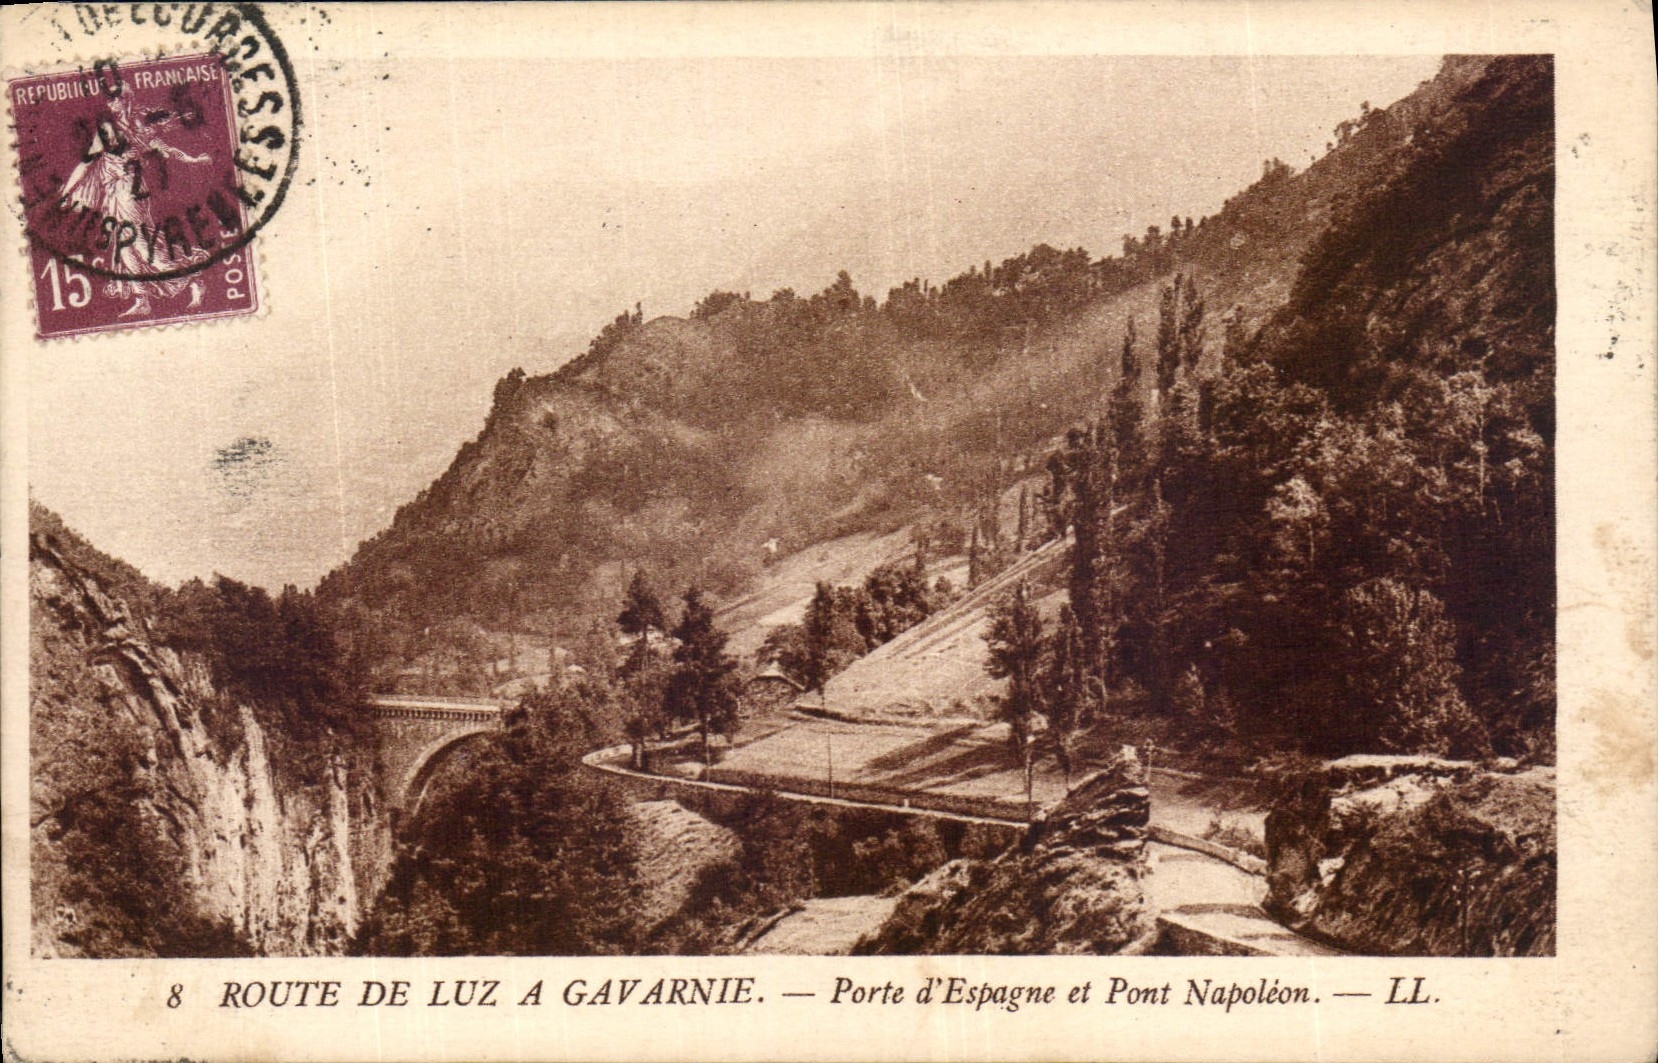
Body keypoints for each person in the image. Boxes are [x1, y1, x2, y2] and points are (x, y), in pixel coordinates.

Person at [58, 91, 213, 317]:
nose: (112, 104)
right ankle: (142, 300)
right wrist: (67, 191)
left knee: (144, 248)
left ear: (126, 100)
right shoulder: (105, 130)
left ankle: (192, 274)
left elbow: (166, 150)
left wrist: (193, 160)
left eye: (117, 98)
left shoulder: (140, 130)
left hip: (130, 194)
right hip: (113, 196)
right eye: (110, 100)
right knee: (126, 251)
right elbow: (85, 164)